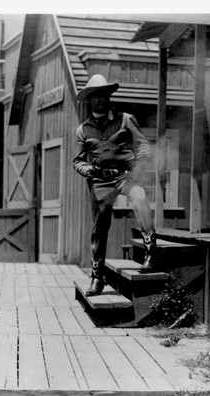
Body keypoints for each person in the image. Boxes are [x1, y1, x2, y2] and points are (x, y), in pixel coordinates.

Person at [73, 74, 158, 296]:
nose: (100, 99)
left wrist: (136, 170)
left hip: (126, 176)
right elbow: (78, 161)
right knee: (99, 226)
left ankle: (150, 253)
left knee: (139, 198)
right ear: (89, 100)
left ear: (109, 96)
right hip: (100, 180)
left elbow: (143, 147)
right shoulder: (83, 130)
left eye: (103, 95)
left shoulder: (126, 120)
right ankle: (97, 276)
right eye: (95, 96)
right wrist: (88, 170)